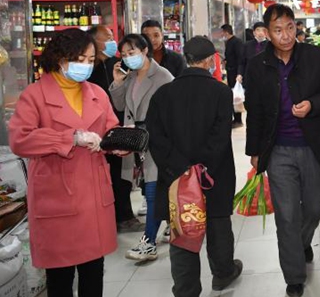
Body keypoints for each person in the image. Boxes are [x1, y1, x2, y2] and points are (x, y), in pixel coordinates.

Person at [245, 4, 320, 297]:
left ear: (296, 27)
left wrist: (312, 105)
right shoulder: (257, 66)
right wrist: (255, 151)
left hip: (314, 146)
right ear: (267, 33)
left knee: (315, 207)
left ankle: (302, 242)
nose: (286, 35)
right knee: (287, 215)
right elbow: (255, 110)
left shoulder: (317, 57)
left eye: (290, 27)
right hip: (278, 149)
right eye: (278, 30)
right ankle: (294, 276)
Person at [8, 28, 119, 297]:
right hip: (57, 197)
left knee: (94, 270)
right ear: (60, 59)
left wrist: (119, 143)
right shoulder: (35, 95)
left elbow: (110, 130)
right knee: (60, 275)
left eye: (90, 60)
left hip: (93, 194)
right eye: (80, 59)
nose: (86, 66)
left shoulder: (97, 93)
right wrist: (69, 138)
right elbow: (20, 140)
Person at [147, 36, 243, 295]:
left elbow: (156, 138)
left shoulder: (163, 94)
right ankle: (222, 273)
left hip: (176, 178)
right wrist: (201, 168)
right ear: (210, 60)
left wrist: (180, 168)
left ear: (186, 59)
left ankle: (186, 288)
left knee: (182, 230)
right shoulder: (221, 92)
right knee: (218, 224)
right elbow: (219, 137)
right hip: (214, 174)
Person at [110, 34, 174, 261]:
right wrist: (118, 82)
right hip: (136, 143)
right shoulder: (130, 77)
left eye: (132, 52)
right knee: (153, 188)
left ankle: (149, 242)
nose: (129, 58)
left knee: (153, 189)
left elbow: (172, 111)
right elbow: (120, 106)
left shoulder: (163, 76)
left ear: (145, 50)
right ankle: (172, 223)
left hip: (156, 142)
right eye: (124, 55)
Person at [87, 25, 143, 233]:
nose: (112, 42)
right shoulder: (88, 70)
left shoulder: (117, 65)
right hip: (95, 131)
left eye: (112, 37)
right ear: (94, 42)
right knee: (102, 177)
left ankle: (124, 216)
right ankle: (105, 218)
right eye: (107, 38)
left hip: (119, 126)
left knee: (123, 175)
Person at [221, 24, 245, 128]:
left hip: (235, 73)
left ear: (226, 32)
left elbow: (240, 59)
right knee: (232, 96)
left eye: (222, 32)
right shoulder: (228, 42)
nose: (222, 34)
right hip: (230, 72)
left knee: (236, 96)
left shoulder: (237, 42)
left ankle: (238, 119)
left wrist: (239, 73)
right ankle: (235, 118)